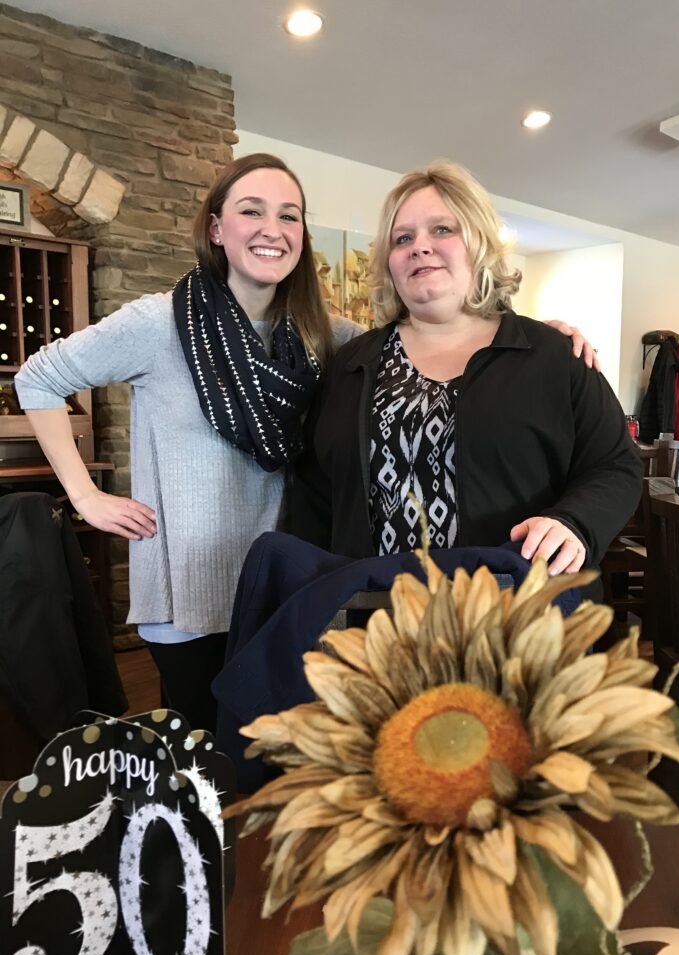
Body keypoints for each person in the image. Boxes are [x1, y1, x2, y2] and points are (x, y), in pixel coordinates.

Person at [15, 154, 598, 733]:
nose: (273, 228)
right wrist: (85, 495)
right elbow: (36, 378)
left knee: (282, 758)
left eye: (289, 216)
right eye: (252, 211)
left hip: (286, 588)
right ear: (216, 228)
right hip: (194, 591)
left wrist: (531, 331)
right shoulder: (159, 323)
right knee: (210, 751)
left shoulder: (326, 335)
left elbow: (432, 337)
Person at [289, 160, 642, 573]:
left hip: (516, 615)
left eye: (442, 229)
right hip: (381, 621)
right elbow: (314, 493)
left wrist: (575, 523)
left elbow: (616, 465)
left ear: (479, 243)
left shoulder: (554, 356)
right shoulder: (351, 365)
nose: (420, 246)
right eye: (403, 238)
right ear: (389, 262)